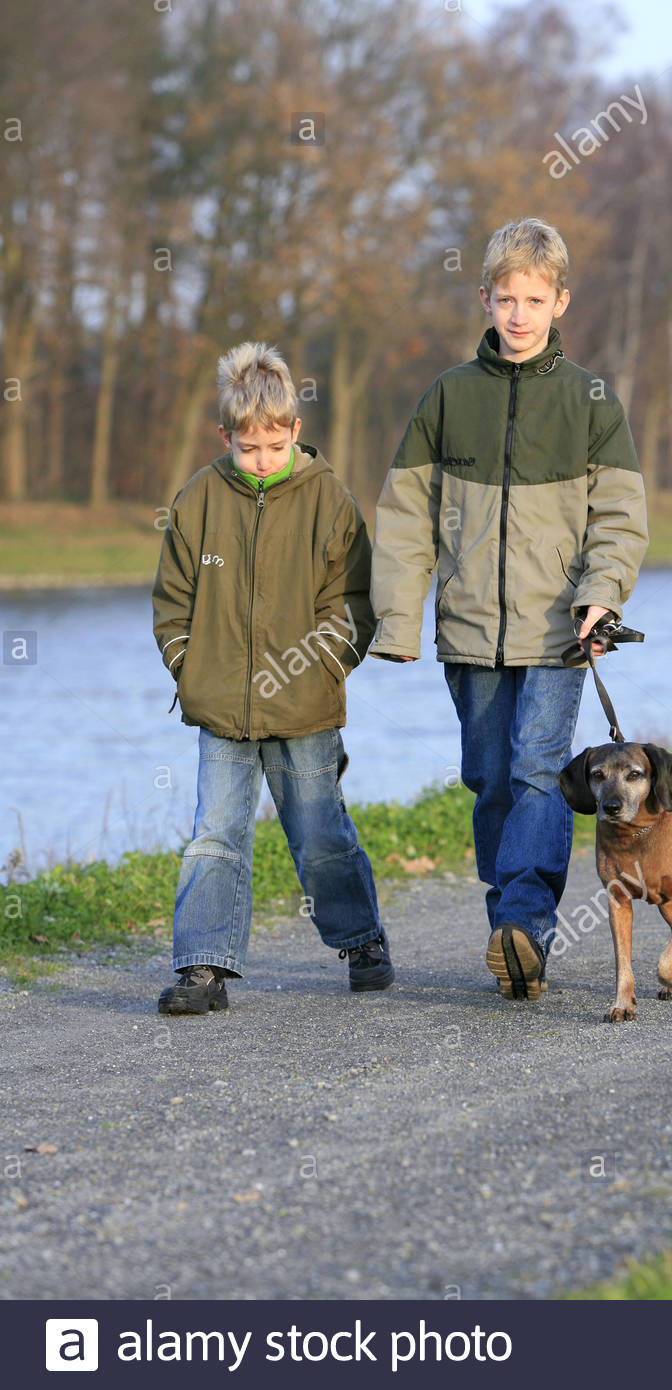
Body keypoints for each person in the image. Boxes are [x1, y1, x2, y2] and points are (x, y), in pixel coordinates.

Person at [369, 217, 648, 1000]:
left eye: (535, 298)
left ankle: (525, 923)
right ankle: (514, 939)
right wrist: (397, 622)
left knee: (537, 773)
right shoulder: (448, 397)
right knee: (490, 779)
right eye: (505, 298)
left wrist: (601, 592)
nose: (519, 313)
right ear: (484, 297)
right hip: (467, 634)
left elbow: (620, 515)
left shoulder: (592, 400)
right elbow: (402, 518)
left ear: (561, 300)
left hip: (561, 632)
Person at [152, 341, 393, 1013]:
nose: (261, 460)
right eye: (247, 447)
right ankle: (204, 965)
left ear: (295, 431)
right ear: (224, 436)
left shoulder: (331, 501)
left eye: (274, 445)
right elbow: (172, 601)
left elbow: (354, 604)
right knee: (215, 833)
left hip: (306, 707)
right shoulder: (198, 499)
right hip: (220, 709)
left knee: (320, 835)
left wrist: (320, 667)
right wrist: (190, 669)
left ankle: (362, 940)